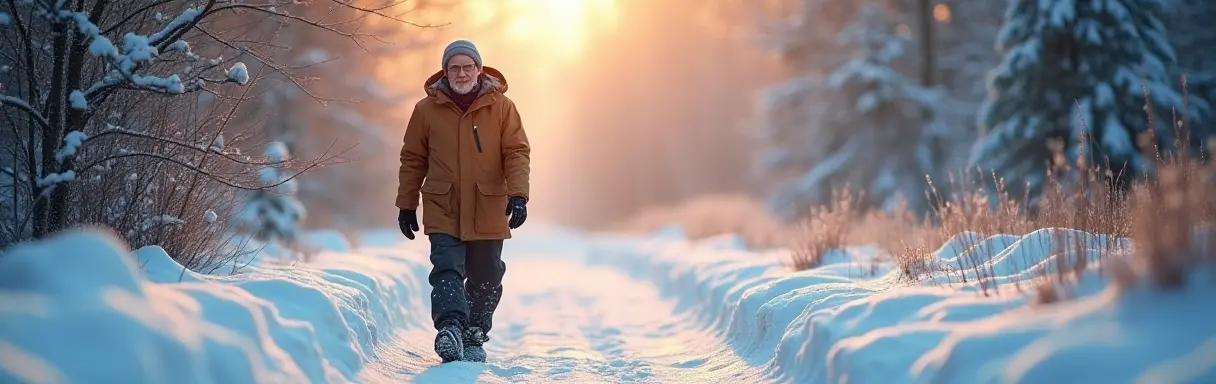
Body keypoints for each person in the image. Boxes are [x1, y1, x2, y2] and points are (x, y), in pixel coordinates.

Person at [395, 39, 531, 363]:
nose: (461, 73)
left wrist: (519, 194)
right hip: (444, 205)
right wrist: (406, 203)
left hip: (488, 205)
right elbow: (413, 158)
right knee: (446, 269)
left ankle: (474, 333)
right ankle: (451, 329)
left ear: (479, 69)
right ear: (445, 71)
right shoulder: (425, 110)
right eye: (454, 67)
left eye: (467, 66)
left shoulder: (502, 107)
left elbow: (516, 152)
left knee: (487, 273)